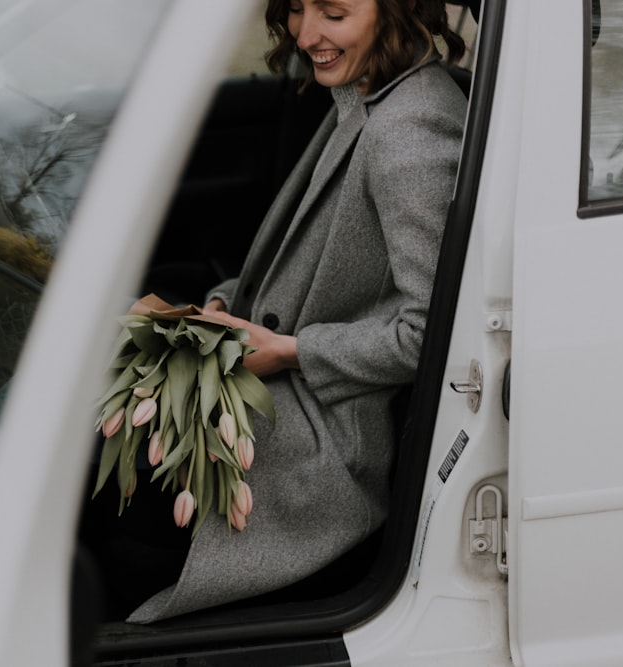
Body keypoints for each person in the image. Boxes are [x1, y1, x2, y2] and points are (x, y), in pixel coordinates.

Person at [125, 0, 467, 623]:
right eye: (298, 8)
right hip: (283, 386)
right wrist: (229, 302)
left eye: (333, 13)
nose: (307, 34)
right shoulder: (369, 92)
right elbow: (319, 269)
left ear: (400, 11)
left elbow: (435, 333)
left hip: (321, 441)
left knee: (100, 507)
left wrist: (290, 350)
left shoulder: (409, 132)